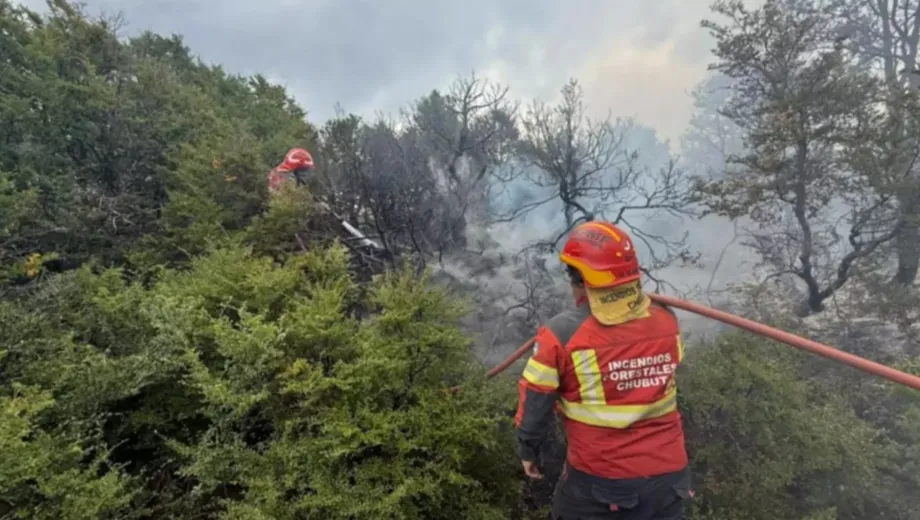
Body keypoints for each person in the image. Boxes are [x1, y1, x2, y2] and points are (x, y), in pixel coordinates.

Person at [514, 219, 692, 519]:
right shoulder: (667, 321)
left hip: (603, 483)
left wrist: (528, 450)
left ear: (583, 279)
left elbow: (536, 399)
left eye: (573, 276)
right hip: (670, 480)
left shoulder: (562, 334)